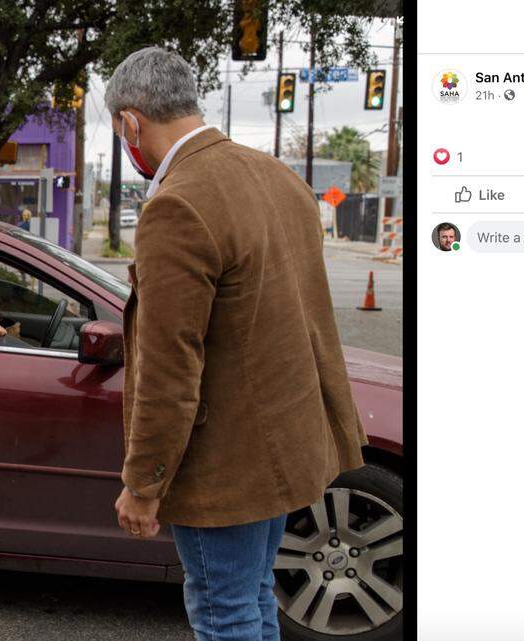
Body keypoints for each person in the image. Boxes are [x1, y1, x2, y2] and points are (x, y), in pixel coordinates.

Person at [105, 47, 367, 641]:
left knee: (225, 611)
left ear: (130, 122)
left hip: (224, 461)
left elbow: (169, 366)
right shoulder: (277, 176)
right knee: (251, 599)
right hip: (286, 444)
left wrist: (144, 482)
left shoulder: (177, 203)